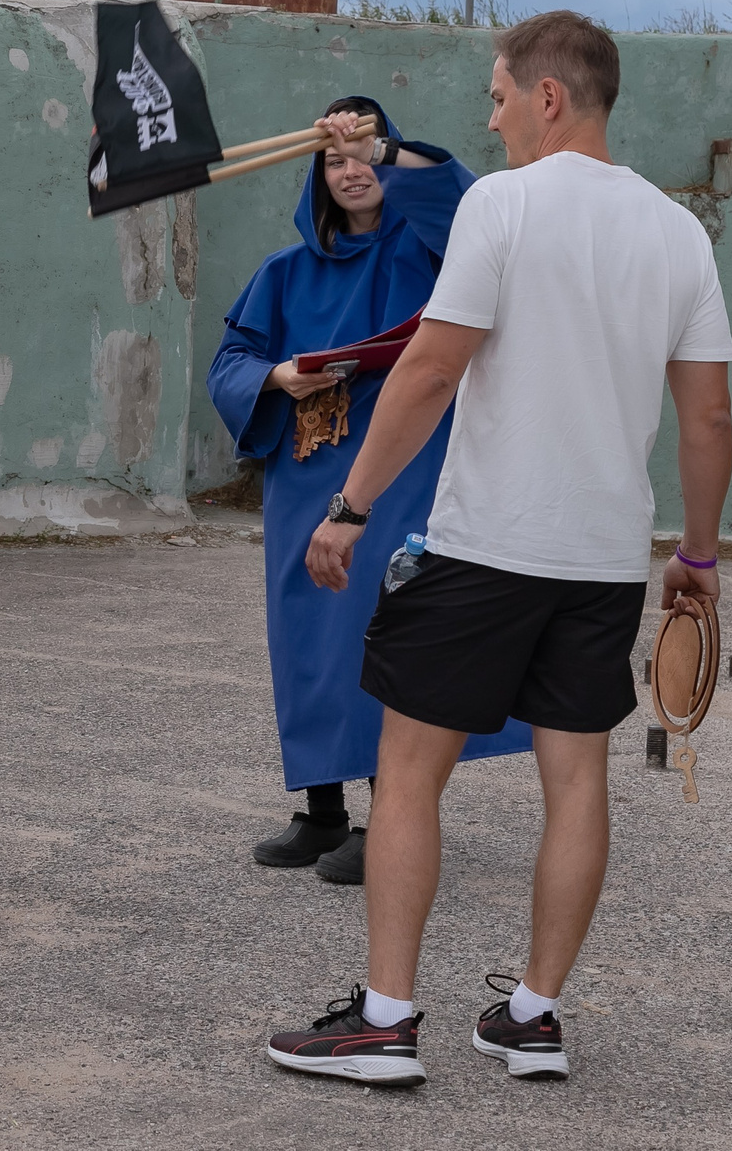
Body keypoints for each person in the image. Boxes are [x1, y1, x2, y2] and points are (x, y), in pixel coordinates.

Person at [263, 9, 732, 1087]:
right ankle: (532, 1016)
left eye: (496, 95)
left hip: (485, 548)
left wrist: (347, 507)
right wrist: (696, 558)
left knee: (409, 773)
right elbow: (707, 419)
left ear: (547, 96)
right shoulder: (675, 232)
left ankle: (384, 1023)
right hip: (605, 558)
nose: (492, 116)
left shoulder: (503, 203)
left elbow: (429, 370)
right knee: (575, 780)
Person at [207, 97, 530, 885]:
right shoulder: (283, 272)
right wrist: (280, 375)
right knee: (308, 642)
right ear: (316, 177)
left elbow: (458, 202)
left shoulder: (430, 254)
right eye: (335, 159)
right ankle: (321, 812)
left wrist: (385, 148)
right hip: (303, 478)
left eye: (362, 155)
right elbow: (232, 362)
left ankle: (392, 812)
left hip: (400, 478)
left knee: (384, 630)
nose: (351, 171)